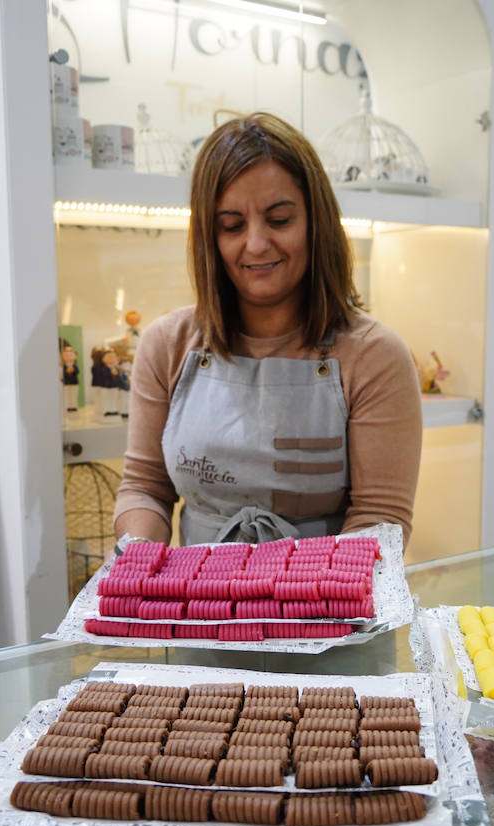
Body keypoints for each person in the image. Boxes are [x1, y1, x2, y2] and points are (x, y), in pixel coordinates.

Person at [113, 112, 422, 546]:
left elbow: (379, 515)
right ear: (209, 238)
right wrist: (140, 561)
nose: (256, 244)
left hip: (324, 603)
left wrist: (296, 599)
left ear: (316, 223)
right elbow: (145, 487)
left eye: (279, 220)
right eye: (232, 226)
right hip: (200, 605)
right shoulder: (167, 344)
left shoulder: (374, 356)